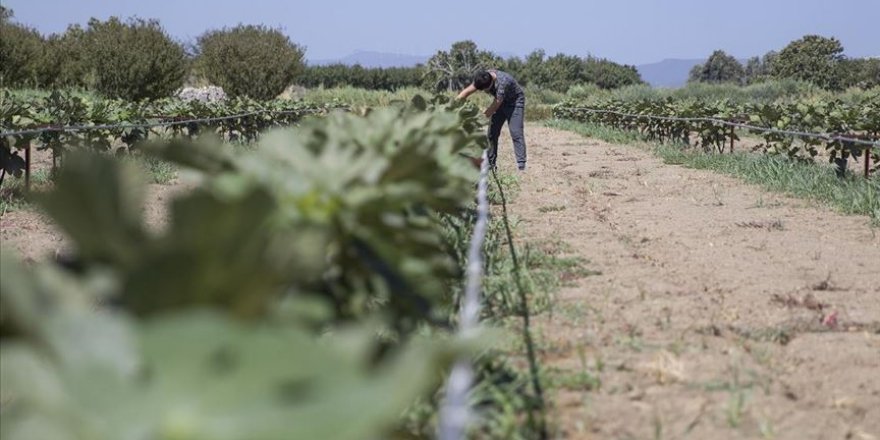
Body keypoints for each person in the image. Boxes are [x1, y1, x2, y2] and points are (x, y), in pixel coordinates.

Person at [456, 70, 527, 171]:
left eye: (485, 90)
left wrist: (478, 121)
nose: (484, 92)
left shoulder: (503, 82)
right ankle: (490, 163)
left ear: (491, 83)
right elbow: (465, 93)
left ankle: (521, 165)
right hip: (500, 102)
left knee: (516, 132)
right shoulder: (482, 78)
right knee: (492, 133)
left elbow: (494, 107)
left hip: (515, 103)